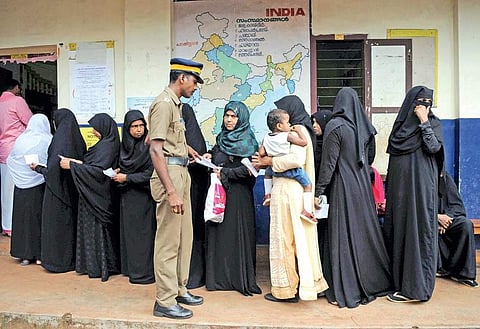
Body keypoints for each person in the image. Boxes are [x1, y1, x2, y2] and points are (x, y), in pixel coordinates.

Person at [314, 87, 392, 308]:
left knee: (342, 237)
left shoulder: (335, 126)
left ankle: (345, 287)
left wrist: (319, 191)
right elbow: (369, 158)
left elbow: (329, 164)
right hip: (362, 188)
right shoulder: (364, 127)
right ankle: (370, 280)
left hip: (342, 187)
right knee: (362, 235)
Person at [253, 95, 329, 303]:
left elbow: (296, 159)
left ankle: (286, 290)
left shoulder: (297, 131)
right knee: (297, 239)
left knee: (284, 239)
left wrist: (268, 160)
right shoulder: (296, 130)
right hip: (291, 189)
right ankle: (306, 284)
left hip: (288, 190)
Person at [148, 58, 204, 319]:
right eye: (194, 81)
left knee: (184, 237)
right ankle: (165, 300)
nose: (195, 87)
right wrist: (170, 190)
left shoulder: (176, 105)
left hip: (181, 170)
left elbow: (160, 137)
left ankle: (180, 288)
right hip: (169, 176)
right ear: (182, 78)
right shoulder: (163, 103)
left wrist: (185, 149)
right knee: (169, 242)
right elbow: (155, 148)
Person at [383, 86, 444, 303]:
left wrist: (423, 121)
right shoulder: (400, 130)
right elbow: (393, 158)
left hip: (420, 193)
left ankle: (416, 289)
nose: (423, 105)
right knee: (399, 233)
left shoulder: (432, 123)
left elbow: (433, 148)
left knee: (419, 234)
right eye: (419, 101)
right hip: (400, 195)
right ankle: (399, 283)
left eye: (428, 102)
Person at [203, 101, 262, 296]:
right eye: (227, 116)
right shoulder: (221, 138)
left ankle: (237, 278)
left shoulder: (249, 142)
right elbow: (217, 154)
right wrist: (209, 155)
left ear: (241, 119)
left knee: (236, 236)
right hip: (220, 194)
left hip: (238, 197)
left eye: (233, 116)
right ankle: (218, 279)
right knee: (219, 235)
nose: (229, 120)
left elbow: (251, 170)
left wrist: (226, 173)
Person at [60, 113, 121, 282]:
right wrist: (78, 164)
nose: (94, 132)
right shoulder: (104, 144)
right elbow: (93, 166)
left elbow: (98, 172)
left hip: (98, 197)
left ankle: (99, 266)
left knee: (97, 232)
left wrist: (72, 165)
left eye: (96, 128)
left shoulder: (107, 147)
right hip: (90, 195)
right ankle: (91, 265)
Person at [34, 108, 86, 273]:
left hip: (56, 193)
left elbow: (53, 171)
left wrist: (38, 168)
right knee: (70, 226)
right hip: (73, 192)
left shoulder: (58, 142)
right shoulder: (77, 140)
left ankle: (56, 262)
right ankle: (71, 260)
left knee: (56, 228)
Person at [113, 110, 156, 284]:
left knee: (144, 237)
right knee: (130, 236)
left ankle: (144, 273)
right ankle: (131, 269)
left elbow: (151, 173)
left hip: (144, 197)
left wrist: (128, 178)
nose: (138, 130)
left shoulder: (149, 147)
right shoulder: (123, 148)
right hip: (127, 198)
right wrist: (118, 173)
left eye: (141, 126)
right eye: (134, 126)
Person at [6, 114, 52, 265]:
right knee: (38, 219)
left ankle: (24, 254)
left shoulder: (21, 139)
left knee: (22, 220)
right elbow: (50, 161)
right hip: (39, 186)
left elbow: (11, 159)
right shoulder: (47, 140)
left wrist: (21, 173)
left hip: (20, 187)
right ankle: (39, 254)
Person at [259, 109, 316, 224]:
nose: (290, 125)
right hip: (290, 171)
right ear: (279, 126)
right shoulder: (287, 136)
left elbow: (261, 153)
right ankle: (307, 211)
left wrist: (268, 158)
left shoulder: (266, 137)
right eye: (288, 123)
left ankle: (267, 194)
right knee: (308, 185)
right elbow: (303, 143)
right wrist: (299, 131)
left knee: (267, 174)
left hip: (274, 171)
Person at [0, 79, 32, 237]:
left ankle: (6, 225)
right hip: (17, 150)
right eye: (19, 87)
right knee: (18, 189)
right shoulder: (17, 101)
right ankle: (14, 226)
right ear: (15, 87)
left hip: (3, 151)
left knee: (5, 191)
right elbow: (30, 122)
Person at [182, 103, 209, 289]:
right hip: (181, 192)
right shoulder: (174, 139)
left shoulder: (194, 138)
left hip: (195, 193)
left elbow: (200, 163)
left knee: (193, 234)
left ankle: (194, 276)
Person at [436, 173, 478, 288]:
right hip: (425, 221)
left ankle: (463, 274)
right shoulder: (416, 179)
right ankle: (437, 268)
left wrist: (446, 219)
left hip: (445, 220)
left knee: (465, 224)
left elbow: (457, 206)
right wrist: (436, 218)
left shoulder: (444, 178)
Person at [311, 108, 333, 183]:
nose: (314, 126)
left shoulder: (332, 144)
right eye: (313, 122)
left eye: (318, 123)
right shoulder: (312, 142)